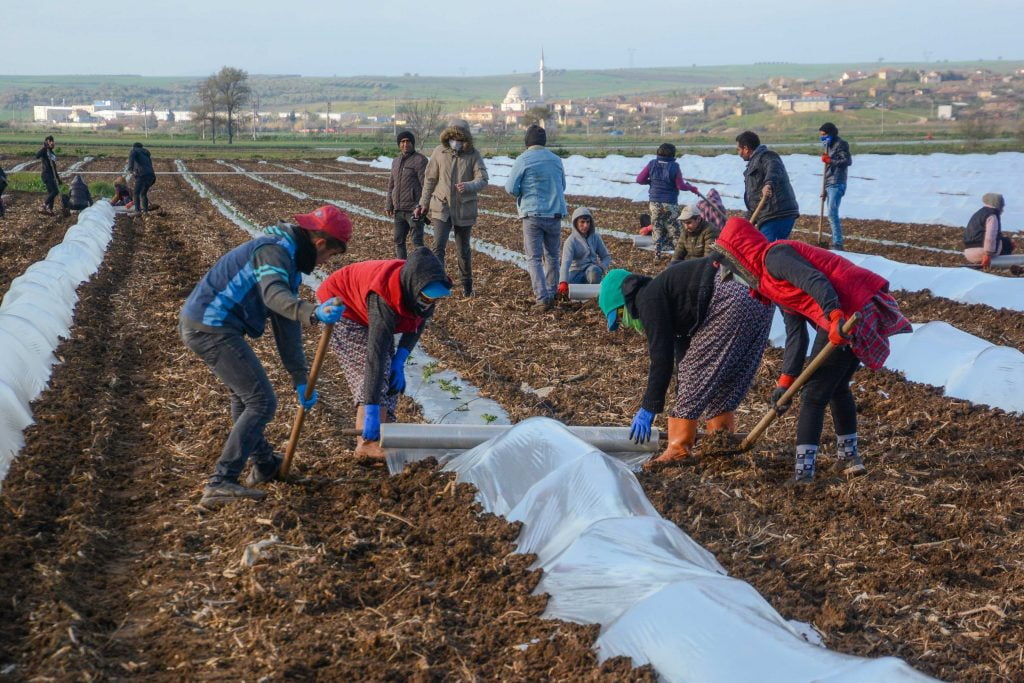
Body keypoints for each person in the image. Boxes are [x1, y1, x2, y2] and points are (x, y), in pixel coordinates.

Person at [710, 217, 912, 483]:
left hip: (851, 308)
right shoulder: (770, 285)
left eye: (732, 270)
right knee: (836, 387)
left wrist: (836, 316)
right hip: (843, 312)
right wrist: (785, 383)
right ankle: (849, 459)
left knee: (813, 395)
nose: (736, 278)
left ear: (739, 258)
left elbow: (815, 281)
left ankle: (804, 473)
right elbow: (797, 334)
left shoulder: (774, 257)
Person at [180, 205, 351, 508]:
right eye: (329, 256)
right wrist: (312, 312)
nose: (325, 263)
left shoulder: (290, 262)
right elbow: (274, 295)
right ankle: (221, 481)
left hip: (215, 325)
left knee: (245, 399)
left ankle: (264, 466)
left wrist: (300, 377)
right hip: (210, 325)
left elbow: (286, 325)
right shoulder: (274, 251)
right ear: (320, 243)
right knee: (261, 401)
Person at [598, 260, 773, 467]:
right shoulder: (670, 295)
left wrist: (649, 407)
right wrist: (684, 389)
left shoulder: (647, 299)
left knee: (696, 372)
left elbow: (661, 358)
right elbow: (684, 352)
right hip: (759, 297)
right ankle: (721, 440)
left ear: (624, 301)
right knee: (727, 374)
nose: (625, 324)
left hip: (728, 295)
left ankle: (678, 449)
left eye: (620, 317)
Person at [317, 247, 452, 459]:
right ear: (413, 287)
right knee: (371, 372)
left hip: (367, 310)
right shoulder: (384, 294)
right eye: (427, 298)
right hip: (343, 308)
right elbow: (375, 354)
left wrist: (400, 359)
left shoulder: (423, 291)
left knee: (388, 371)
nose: (430, 303)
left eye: (434, 299)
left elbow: (417, 324)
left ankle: (383, 430)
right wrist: (371, 408)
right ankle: (367, 443)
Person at [415, 119, 488, 296]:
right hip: (442, 206)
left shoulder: (473, 155)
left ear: (466, 138)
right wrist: (423, 204)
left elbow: (483, 179)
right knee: (438, 247)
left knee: (463, 249)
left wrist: (469, 185)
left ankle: (467, 285)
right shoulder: (439, 152)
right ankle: (438, 285)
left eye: (459, 137)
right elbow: (430, 180)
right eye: (452, 137)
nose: (455, 140)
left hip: (464, 209)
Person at [505, 124, 568, 309]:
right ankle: (552, 293)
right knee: (553, 257)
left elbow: (510, 188)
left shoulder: (523, 159)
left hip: (533, 214)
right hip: (555, 213)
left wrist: (522, 193)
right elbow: (562, 185)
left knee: (534, 258)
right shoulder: (556, 160)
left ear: (527, 141)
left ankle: (542, 299)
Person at [636, 143, 700, 259]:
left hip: (654, 202)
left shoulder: (652, 164)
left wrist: (650, 182)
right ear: (673, 154)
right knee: (674, 228)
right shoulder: (674, 166)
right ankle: (679, 255)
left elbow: (640, 179)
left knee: (657, 226)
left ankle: (657, 255)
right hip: (669, 202)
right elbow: (680, 186)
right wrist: (691, 188)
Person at [735, 131, 799, 242]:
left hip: (777, 214)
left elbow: (773, 169)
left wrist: (768, 184)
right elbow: (755, 200)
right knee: (764, 250)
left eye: (739, 150)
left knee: (767, 251)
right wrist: (744, 225)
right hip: (767, 216)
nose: (739, 154)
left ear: (746, 148)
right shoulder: (751, 166)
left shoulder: (767, 156)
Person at [385, 130, 428, 259]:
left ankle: (420, 270)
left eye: (408, 141)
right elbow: (391, 185)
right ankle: (401, 269)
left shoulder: (420, 160)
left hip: (414, 210)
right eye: (402, 142)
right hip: (398, 210)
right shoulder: (396, 161)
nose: (405, 144)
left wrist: (421, 206)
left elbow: (426, 186)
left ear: (413, 143)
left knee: (417, 243)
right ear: (399, 144)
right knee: (398, 242)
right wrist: (389, 204)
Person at [557, 207, 611, 295]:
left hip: (591, 271)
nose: (585, 225)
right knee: (565, 290)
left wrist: (601, 267)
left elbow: (606, 257)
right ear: (576, 223)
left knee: (594, 271)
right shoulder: (571, 241)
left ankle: (593, 295)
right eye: (582, 222)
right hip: (575, 273)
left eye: (588, 222)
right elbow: (565, 264)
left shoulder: (595, 237)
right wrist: (563, 281)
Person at [818, 123, 853, 250]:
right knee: (830, 213)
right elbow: (826, 168)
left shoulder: (841, 144)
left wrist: (830, 161)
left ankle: (837, 243)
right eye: (821, 135)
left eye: (824, 135)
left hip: (837, 182)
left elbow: (847, 161)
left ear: (831, 133)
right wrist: (824, 189)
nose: (822, 138)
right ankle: (835, 241)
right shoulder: (826, 145)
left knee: (832, 213)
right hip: (829, 183)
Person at [963, 193, 1015, 269]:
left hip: (968, 253)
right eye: (1002, 206)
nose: (1002, 209)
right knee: (1007, 243)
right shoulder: (992, 215)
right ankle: (1002, 265)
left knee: (1003, 241)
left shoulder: (978, 214)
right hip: (982, 252)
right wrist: (988, 254)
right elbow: (990, 236)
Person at [127, 142, 156, 214]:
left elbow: (131, 158)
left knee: (136, 193)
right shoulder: (146, 153)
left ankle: (137, 211)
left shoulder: (134, 150)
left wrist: (130, 169)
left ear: (133, 147)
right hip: (151, 176)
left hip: (142, 175)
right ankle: (145, 211)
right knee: (143, 193)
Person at [36, 136, 60, 215]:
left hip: (52, 175)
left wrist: (58, 178)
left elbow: (54, 167)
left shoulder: (52, 154)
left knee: (51, 192)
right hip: (46, 175)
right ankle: (43, 206)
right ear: (47, 142)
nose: (52, 143)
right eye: (50, 141)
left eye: (53, 141)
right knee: (55, 191)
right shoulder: (45, 151)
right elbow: (37, 156)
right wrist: (45, 147)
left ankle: (50, 209)